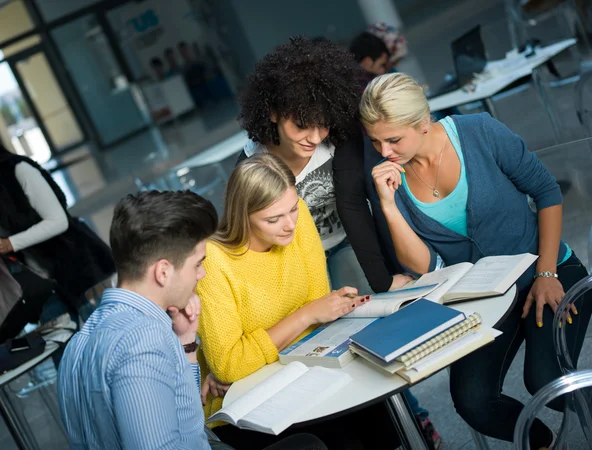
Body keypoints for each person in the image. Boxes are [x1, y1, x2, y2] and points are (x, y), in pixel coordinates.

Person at [360, 72, 592, 450]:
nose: (384, 151)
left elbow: (546, 191)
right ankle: (541, 442)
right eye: (375, 141)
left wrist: (547, 272)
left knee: (546, 377)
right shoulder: (390, 178)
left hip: (548, 272)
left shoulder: (479, 132)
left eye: (393, 139)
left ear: (422, 124)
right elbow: (426, 265)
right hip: (482, 301)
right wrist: (387, 205)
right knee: (473, 401)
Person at [57, 190, 327, 450]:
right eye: (197, 264)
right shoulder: (145, 342)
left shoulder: (78, 343)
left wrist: (186, 347)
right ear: (163, 272)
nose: (201, 275)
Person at [197, 154, 402, 450]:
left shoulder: (300, 216)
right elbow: (230, 366)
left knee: (383, 420)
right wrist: (305, 316)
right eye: (273, 218)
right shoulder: (214, 260)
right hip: (247, 400)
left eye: (291, 209)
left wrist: (315, 315)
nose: (289, 225)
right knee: (345, 440)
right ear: (242, 215)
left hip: (302, 368)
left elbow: (320, 313)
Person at [236, 36, 409, 295]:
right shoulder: (251, 165)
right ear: (272, 113)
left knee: (367, 302)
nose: (316, 138)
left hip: (347, 242)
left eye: (323, 124)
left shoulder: (339, 135)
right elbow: (252, 239)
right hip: (292, 257)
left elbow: (352, 204)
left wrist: (382, 282)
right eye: (302, 126)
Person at [0, 138, 115, 336]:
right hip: (43, 285)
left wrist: (11, 243)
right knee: (63, 355)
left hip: (79, 269)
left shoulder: (19, 169)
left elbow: (58, 221)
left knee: (108, 338)